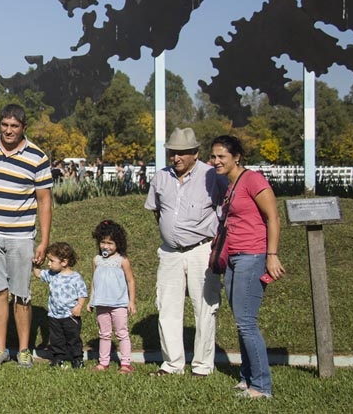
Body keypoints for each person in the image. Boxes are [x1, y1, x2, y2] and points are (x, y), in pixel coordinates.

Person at [0, 103, 53, 368]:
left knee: (22, 294)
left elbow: (45, 201)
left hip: (21, 236)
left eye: (14, 126)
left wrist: (44, 241)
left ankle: (24, 350)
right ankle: (0, 349)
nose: (8, 130)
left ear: (23, 128)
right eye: (4, 125)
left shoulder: (37, 157)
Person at [145, 127, 227, 378]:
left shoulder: (212, 176)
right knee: (167, 307)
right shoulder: (160, 177)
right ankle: (172, 364)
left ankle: (202, 365)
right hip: (170, 252)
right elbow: (156, 210)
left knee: (204, 307)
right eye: (172, 153)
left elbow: (224, 210)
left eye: (182, 153)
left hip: (201, 250)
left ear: (195, 153)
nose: (176, 158)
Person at [210, 135, 284, 399]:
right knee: (241, 321)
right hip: (233, 257)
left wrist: (271, 254)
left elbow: (272, 217)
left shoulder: (253, 180)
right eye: (214, 156)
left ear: (237, 157)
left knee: (246, 322)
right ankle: (247, 377)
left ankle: (262, 386)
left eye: (222, 157)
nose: (216, 161)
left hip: (252, 256)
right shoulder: (231, 185)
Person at [87, 220, 137, 374]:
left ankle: (126, 363)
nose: (106, 246)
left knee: (122, 332)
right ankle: (103, 362)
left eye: (110, 243)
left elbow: (130, 280)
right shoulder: (97, 260)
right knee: (104, 333)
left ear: (118, 243)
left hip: (119, 304)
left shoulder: (122, 260)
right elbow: (94, 281)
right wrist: (91, 300)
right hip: (101, 303)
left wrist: (131, 301)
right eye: (103, 242)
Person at [32, 242, 88, 369]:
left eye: (52, 261)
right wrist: (36, 264)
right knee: (56, 339)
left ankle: (77, 359)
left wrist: (79, 306)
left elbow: (82, 293)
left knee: (73, 338)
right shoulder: (52, 275)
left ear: (64, 262)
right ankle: (58, 358)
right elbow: (38, 274)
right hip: (54, 315)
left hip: (70, 316)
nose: (49, 264)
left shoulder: (75, 278)